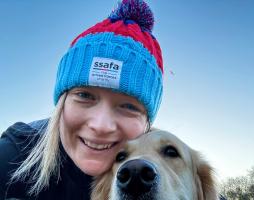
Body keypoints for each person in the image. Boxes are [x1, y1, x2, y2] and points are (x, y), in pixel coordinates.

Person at [0, 0, 164, 199]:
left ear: (147, 123)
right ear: (62, 102)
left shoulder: (162, 179)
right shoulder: (12, 156)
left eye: (129, 106)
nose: (101, 126)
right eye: (84, 95)